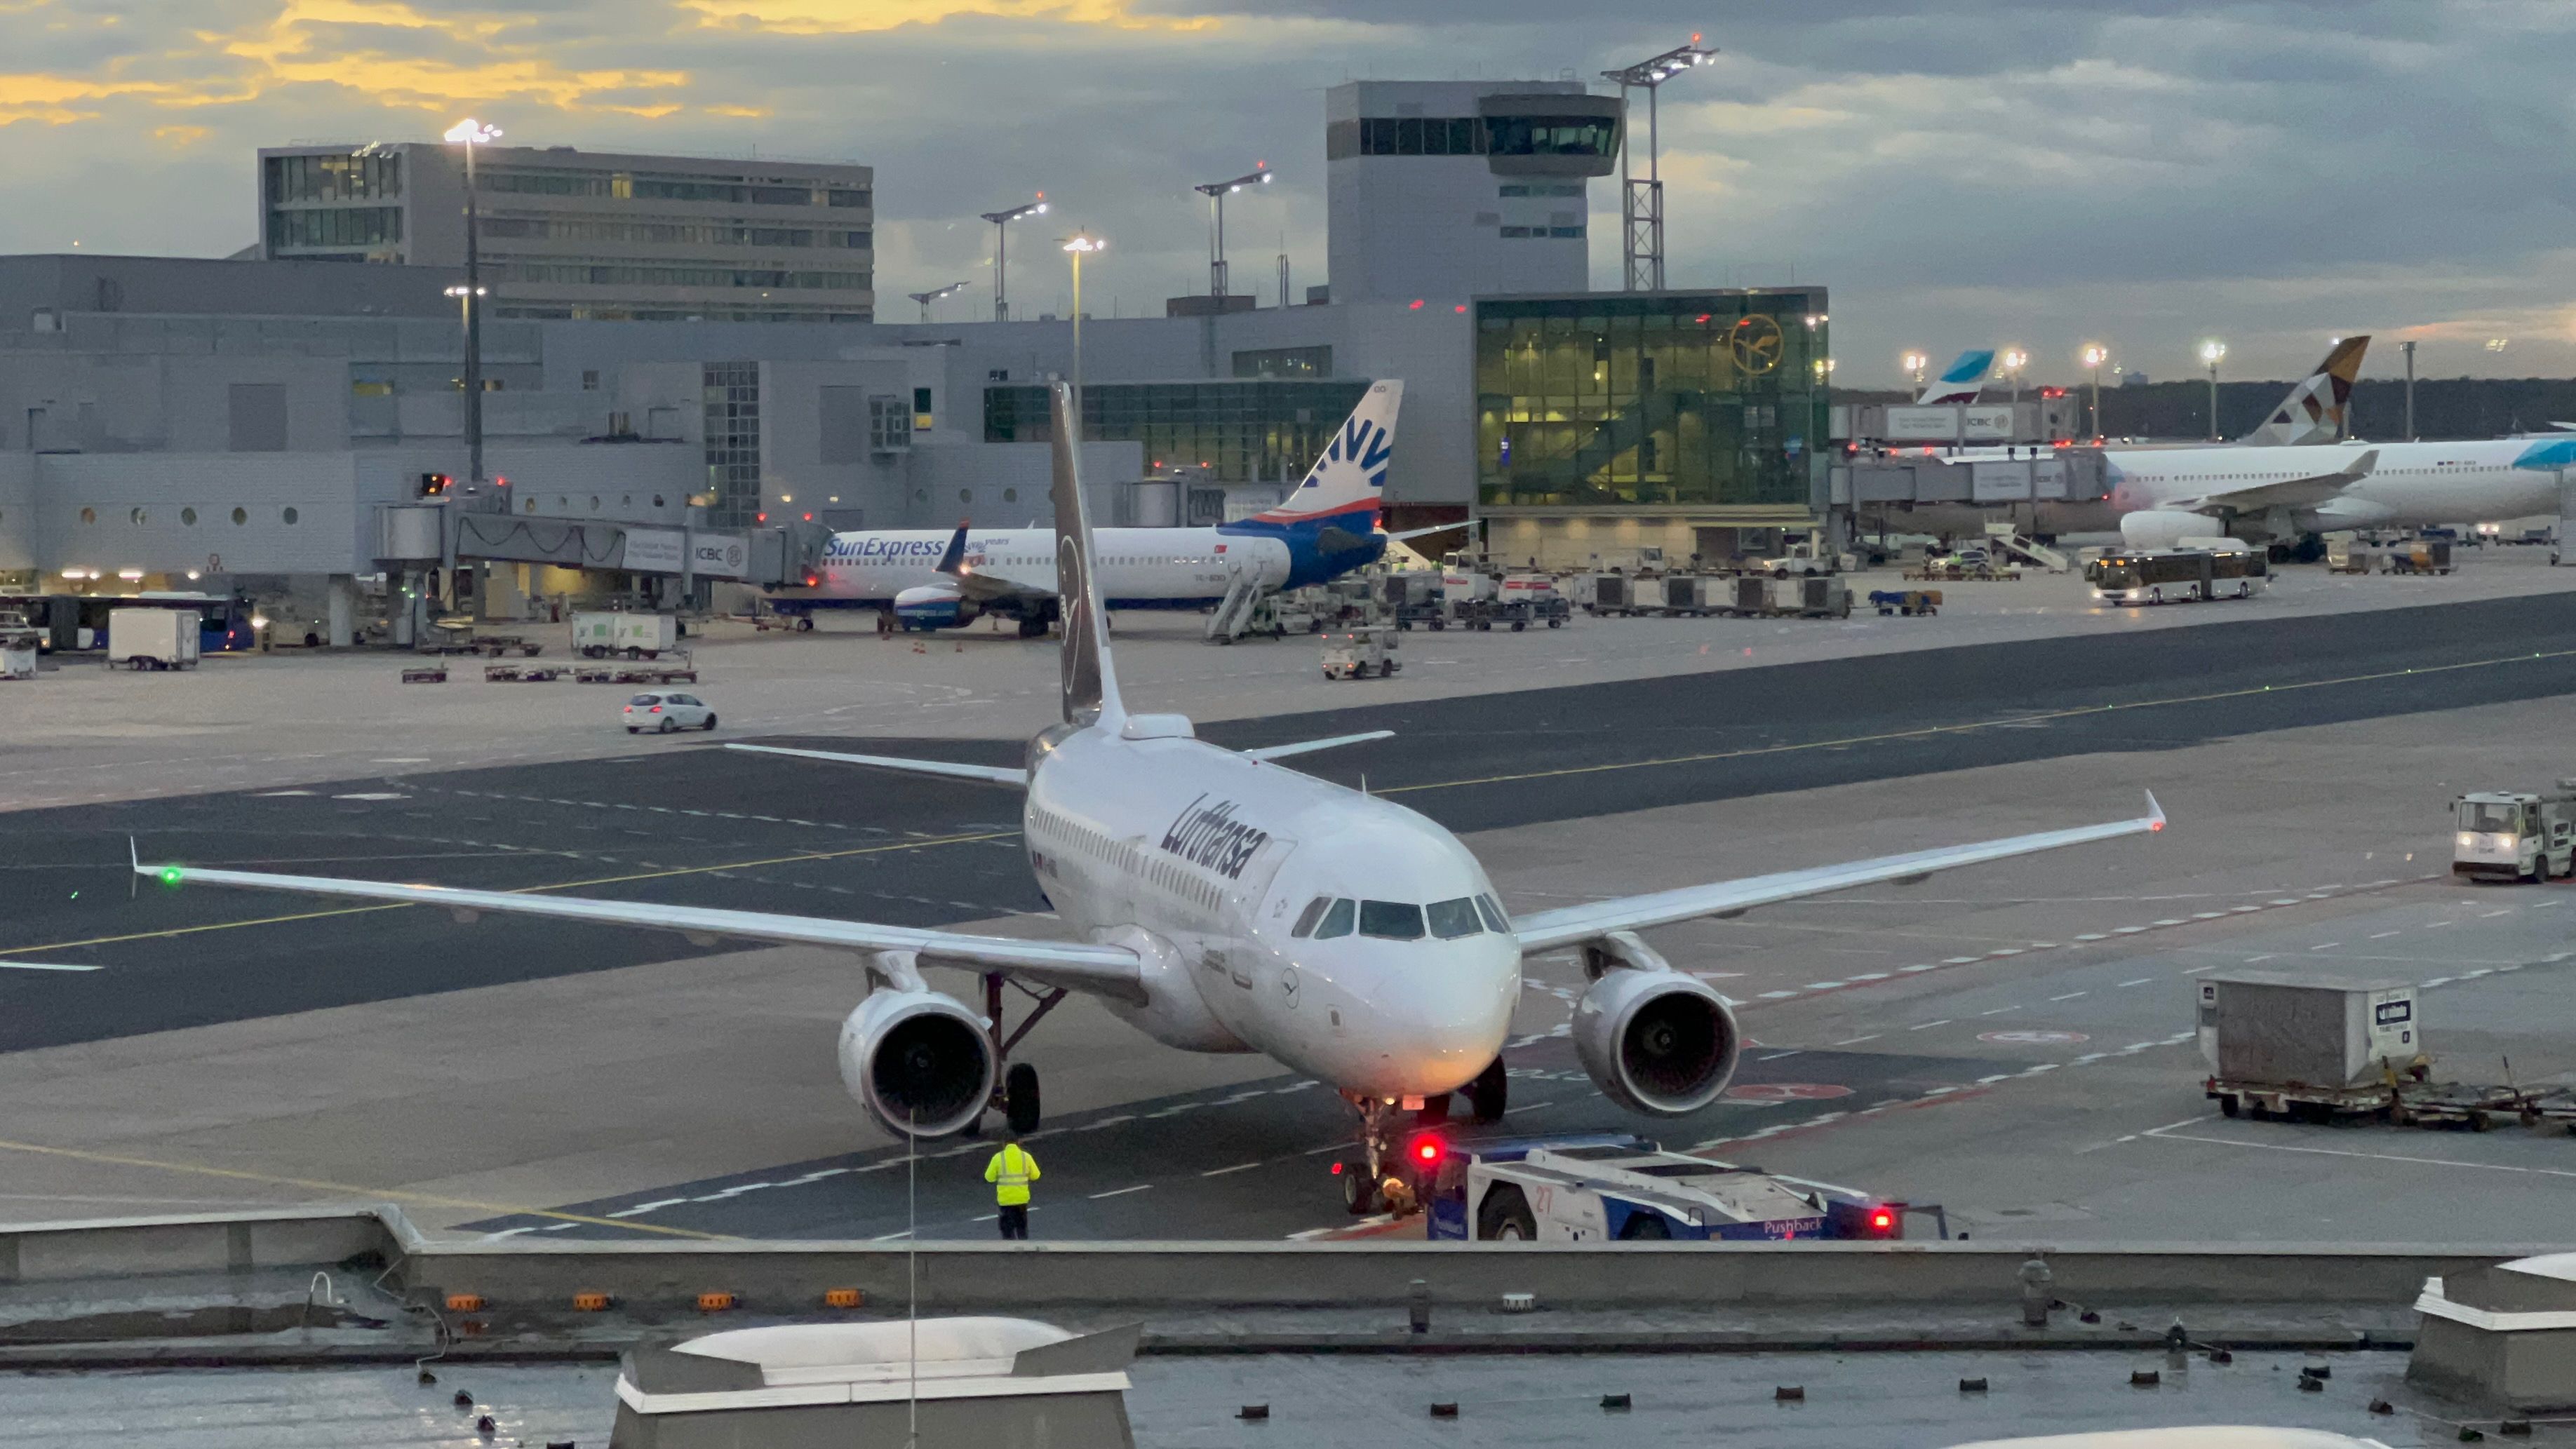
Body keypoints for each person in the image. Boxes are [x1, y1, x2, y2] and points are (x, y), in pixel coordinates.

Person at [984, 1135, 1040, 1240]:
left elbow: (989, 1177)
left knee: (1007, 1230)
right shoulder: (1026, 1157)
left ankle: (1010, 1252)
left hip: (1005, 1200)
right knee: (1022, 1227)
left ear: (1004, 1144)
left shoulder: (998, 1158)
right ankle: (1023, 1249)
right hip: (1021, 1199)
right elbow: (1036, 1175)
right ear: (1019, 1142)